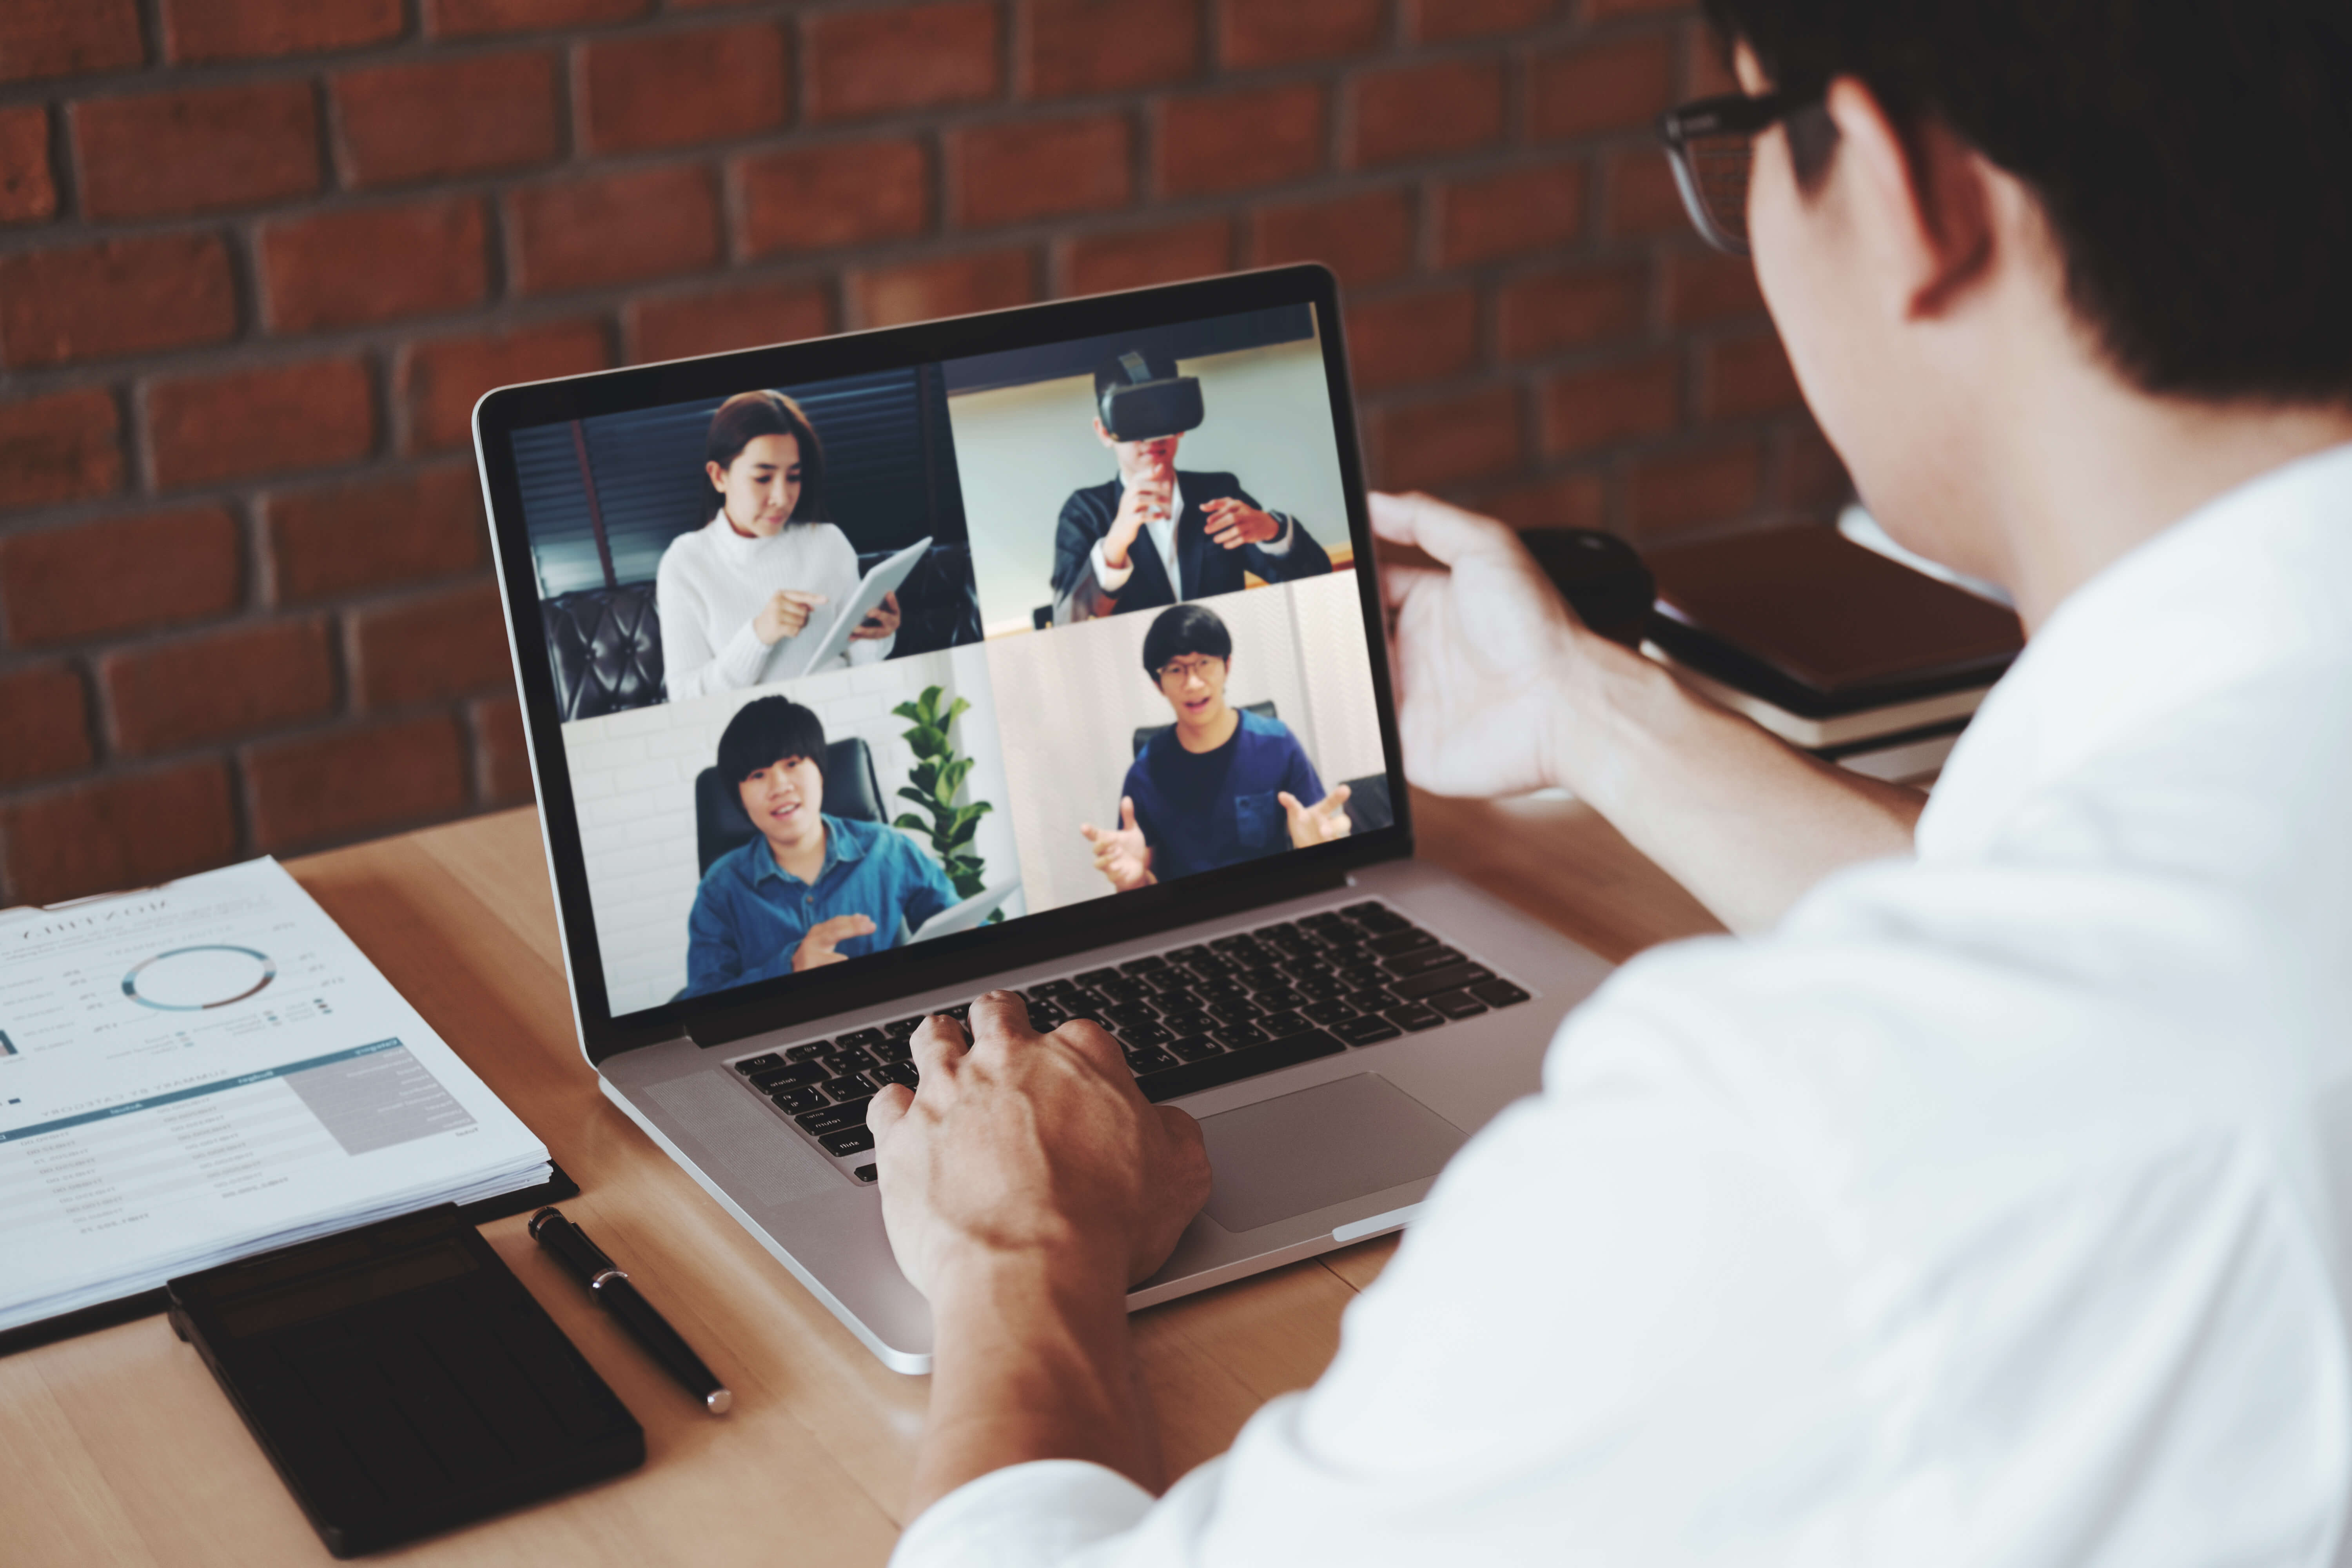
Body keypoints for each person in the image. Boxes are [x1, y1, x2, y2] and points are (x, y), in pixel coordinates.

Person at [865, 0, 2352, 1562]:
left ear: (1918, 201)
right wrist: (1582, 706)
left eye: (1747, 146)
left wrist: (1021, 1246)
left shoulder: (1799, 1155)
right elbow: (2079, 919)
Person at [682, 696, 955, 998]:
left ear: (821, 772)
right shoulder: (719, 890)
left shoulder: (888, 848)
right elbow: (703, 1003)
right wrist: (791, 969)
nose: (780, 787)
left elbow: (957, 925)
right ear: (739, 798)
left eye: (792, 763)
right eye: (758, 775)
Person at [1081, 604, 1352, 892]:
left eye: (1205, 663)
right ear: (1159, 683)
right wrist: (1133, 880)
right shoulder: (1145, 773)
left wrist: (1314, 849)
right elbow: (1139, 886)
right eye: (1175, 669)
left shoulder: (1277, 743)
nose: (1194, 683)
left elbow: (1314, 832)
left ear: (1227, 666)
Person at [1050, 350, 1332, 622]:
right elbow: (1069, 625)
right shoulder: (1084, 514)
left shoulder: (1219, 493)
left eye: (1163, 414)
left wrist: (1273, 531)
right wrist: (1116, 544)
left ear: (1181, 420)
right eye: (1135, 418)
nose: (1153, 436)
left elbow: (1318, 584)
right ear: (1104, 431)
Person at [657, 390, 900, 700]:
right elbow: (686, 698)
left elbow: (862, 666)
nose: (782, 498)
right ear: (719, 477)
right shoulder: (685, 563)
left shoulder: (828, 542)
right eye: (762, 478)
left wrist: (877, 635)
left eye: (794, 477)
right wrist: (758, 636)